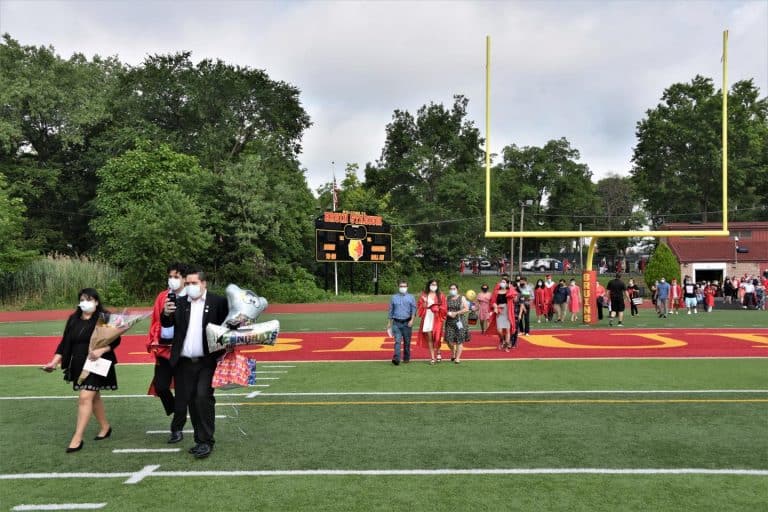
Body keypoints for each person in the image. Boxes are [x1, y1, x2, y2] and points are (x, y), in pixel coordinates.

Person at [162, 266, 228, 459]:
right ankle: (200, 440)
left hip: (207, 361)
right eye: (188, 283)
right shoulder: (180, 303)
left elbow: (229, 324)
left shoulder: (218, 302)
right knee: (191, 401)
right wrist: (166, 313)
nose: (191, 286)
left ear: (203, 283)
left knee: (202, 397)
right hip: (183, 362)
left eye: (194, 283)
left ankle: (207, 441)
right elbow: (167, 325)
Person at [42, 288, 120, 453]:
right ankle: (105, 427)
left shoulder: (103, 317)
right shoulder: (73, 319)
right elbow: (64, 343)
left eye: (89, 299)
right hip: (78, 363)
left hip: (98, 363)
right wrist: (54, 362)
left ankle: (77, 438)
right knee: (94, 397)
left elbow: (115, 339)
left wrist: (102, 350)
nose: (85, 302)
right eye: (83, 299)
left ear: (96, 301)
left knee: (85, 397)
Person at [147, 262, 188, 443]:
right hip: (164, 351)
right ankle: (176, 408)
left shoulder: (191, 297)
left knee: (181, 392)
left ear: (185, 279)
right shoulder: (163, 296)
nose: (172, 280)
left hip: (185, 352)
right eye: (170, 277)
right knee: (161, 386)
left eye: (176, 277)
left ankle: (176, 428)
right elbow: (155, 321)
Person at [417, 279, 447, 365]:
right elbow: (420, 306)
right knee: (430, 338)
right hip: (427, 317)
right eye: (432, 284)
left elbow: (444, 307)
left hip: (437, 317)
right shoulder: (424, 295)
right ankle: (432, 357)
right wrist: (424, 304)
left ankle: (438, 351)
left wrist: (438, 308)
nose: (433, 286)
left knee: (437, 338)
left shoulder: (440, 295)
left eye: (435, 284)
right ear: (429, 285)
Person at [386, 279, 416, 365]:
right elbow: (391, 310)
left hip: (407, 323)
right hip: (396, 323)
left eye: (404, 286)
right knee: (397, 341)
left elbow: (413, 310)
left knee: (407, 342)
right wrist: (389, 322)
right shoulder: (393, 297)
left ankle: (406, 358)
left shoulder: (411, 297)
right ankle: (396, 358)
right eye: (401, 286)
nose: (403, 288)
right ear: (398, 287)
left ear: (407, 287)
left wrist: (412, 320)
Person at [489, 277, 518, 351]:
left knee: (507, 330)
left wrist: (510, 286)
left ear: (507, 283)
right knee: (499, 330)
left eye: (504, 282)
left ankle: (506, 345)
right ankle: (502, 340)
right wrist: (495, 306)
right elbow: (493, 302)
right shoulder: (496, 292)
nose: (502, 283)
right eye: (501, 281)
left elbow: (515, 299)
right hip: (499, 311)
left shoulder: (509, 291)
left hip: (507, 311)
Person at [444, 283, 471, 363]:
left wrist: (456, 313)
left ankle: (457, 358)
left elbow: (466, 309)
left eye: (454, 288)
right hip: (449, 321)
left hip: (460, 321)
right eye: (451, 289)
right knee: (449, 340)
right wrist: (448, 313)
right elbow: (443, 308)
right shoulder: (447, 298)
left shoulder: (462, 298)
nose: (452, 290)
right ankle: (453, 351)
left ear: (457, 289)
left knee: (460, 340)